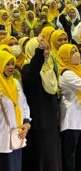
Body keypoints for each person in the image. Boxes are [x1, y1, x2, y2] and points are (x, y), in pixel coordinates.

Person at [21, 36, 61, 171]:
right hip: (38, 121)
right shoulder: (27, 68)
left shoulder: (49, 68)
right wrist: (39, 52)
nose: (46, 52)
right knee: (40, 157)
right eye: (40, 50)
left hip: (50, 121)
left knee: (52, 156)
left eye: (46, 49)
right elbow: (33, 73)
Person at [0, 50, 31, 171]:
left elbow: (23, 105)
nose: (11, 67)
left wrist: (26, 123)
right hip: (2, 138)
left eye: (13, 63)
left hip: (16, 135)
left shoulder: (15, 82)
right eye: (7, 64)